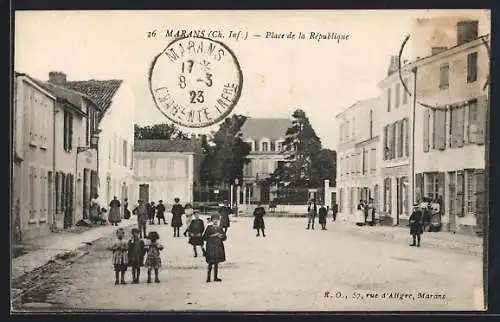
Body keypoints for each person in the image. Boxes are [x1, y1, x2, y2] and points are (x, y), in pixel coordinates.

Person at [202, 214, 227, 283]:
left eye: (217, 219)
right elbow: (204, 238)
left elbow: (225, 237)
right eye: (214, 219)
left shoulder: (220, 228)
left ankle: (215, 277)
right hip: (210, 247)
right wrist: (213, 235)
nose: (215, 221)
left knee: (216, 263)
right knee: (210, 262)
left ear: (218, 220)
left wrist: (221, 236)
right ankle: (208, 278)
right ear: (212, 220)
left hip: (218, 247)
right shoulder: (209, 228)